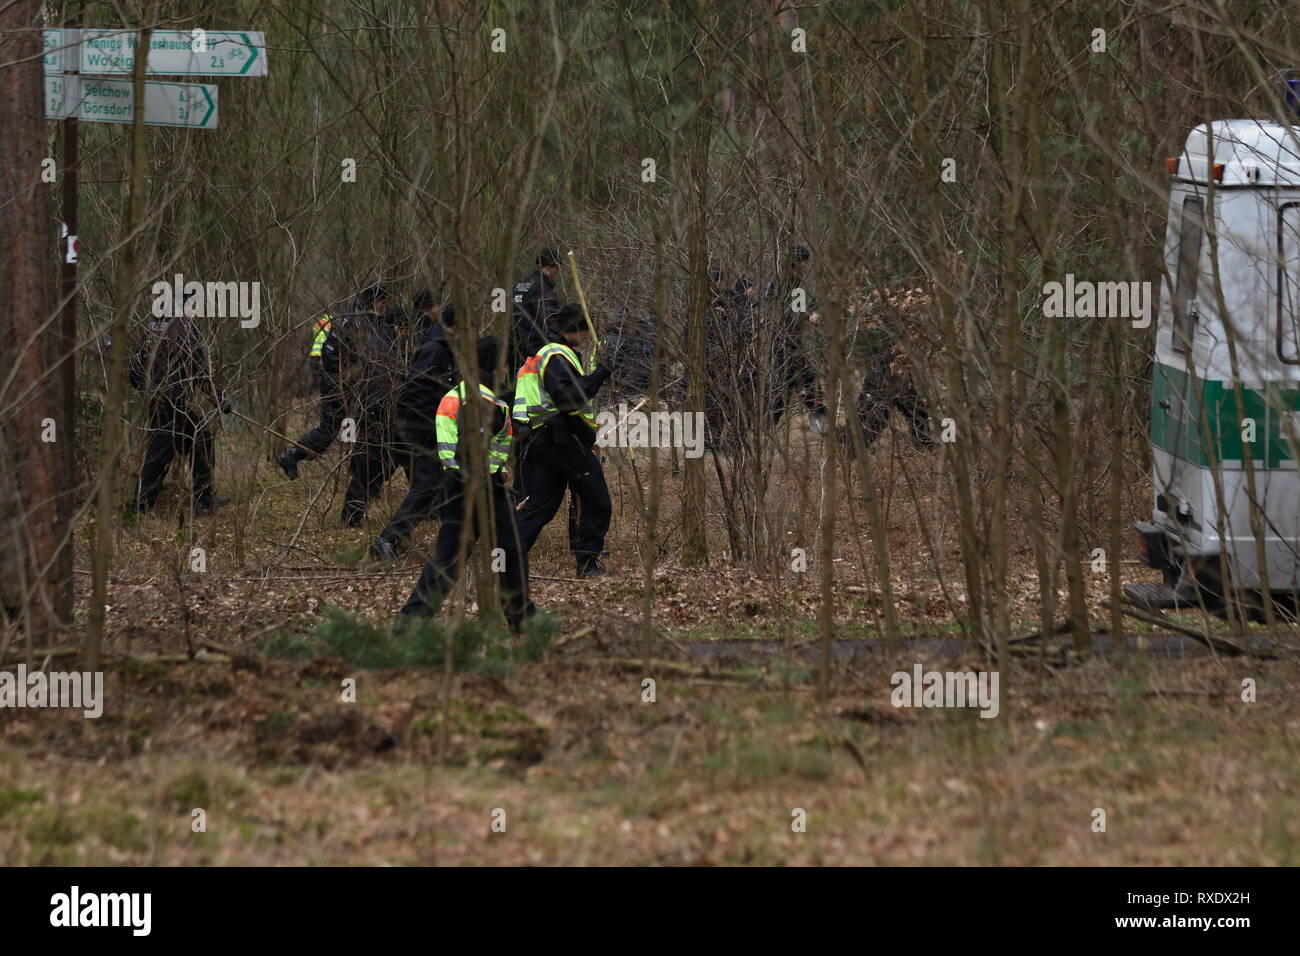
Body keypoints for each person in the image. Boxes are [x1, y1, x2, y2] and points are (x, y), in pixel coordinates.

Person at [399, 336, 531, 631]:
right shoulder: (481, 402)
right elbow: (471, 450)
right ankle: (522, 620)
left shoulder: (459, 394)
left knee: (451, 560)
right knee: (509, 552)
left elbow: (484, 448)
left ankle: (408, 623)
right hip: (479, 487)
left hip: (462, 484)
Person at [513, 304, 615, 577]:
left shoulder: (541, 353)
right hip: (560, 438)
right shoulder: (557, 356)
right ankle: (587, 564)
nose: (585, 339)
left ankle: (507, 557)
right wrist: (599, 375)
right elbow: (569, 399)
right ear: (575, 329)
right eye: (584, 332)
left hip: (543, 438)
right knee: (597, 499)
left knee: (540, 507)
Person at [371, 294, 458, 559]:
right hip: (424, 429)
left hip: (437, 428)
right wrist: (429, 427)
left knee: (441, 486)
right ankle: (387, 539)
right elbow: (417, 391)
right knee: (427, 486)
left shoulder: (445, 348)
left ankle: (451, 545)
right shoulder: (434, 349)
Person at [277, 285, 392, 480]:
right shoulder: (356, 321)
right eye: (383, 302)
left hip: (347, 381)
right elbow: (335, 352)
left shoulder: (360, 318)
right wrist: (342, 378)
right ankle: (293, 456)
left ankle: (353, 468)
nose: (385, 307)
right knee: (333, 428)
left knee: (353, 424)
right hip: (340, 381)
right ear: (375, 300)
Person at [127, 312, 227, 516]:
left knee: (201, 439)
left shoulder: (153, 327)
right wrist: (219, 399)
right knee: (159, 455)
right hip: (173, 404)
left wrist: (150, 392)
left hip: (162, 402)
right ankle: (140, 507)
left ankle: (204, 500)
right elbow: (200, 371)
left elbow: (134, 370)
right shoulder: (186, 328)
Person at [336, 293, 413, 526]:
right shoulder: (384, 348)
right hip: (381, 416)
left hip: (388, 416)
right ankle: (350, 515)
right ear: (400, 327)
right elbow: (381, 383)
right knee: (371, 469)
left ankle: (430, 507)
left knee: (401, 463)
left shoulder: (385, 343)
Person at [766, 245, 826, 429]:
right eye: (805, 263)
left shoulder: (780, 281)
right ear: (799, 262)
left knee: (788, 389)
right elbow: (796, 310)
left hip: (783, 343)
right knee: (795, 386)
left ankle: (765, 428)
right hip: (787, 344)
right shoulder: (790, 282)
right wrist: (810, 315)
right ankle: (822, 424)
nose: (806, 267)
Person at [509, 247, 565, 375]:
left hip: (514, 346)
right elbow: (552, 321)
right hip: (534, 350)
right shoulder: (544, 290)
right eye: (557, 268)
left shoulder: (519, 284)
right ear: (552, 266)